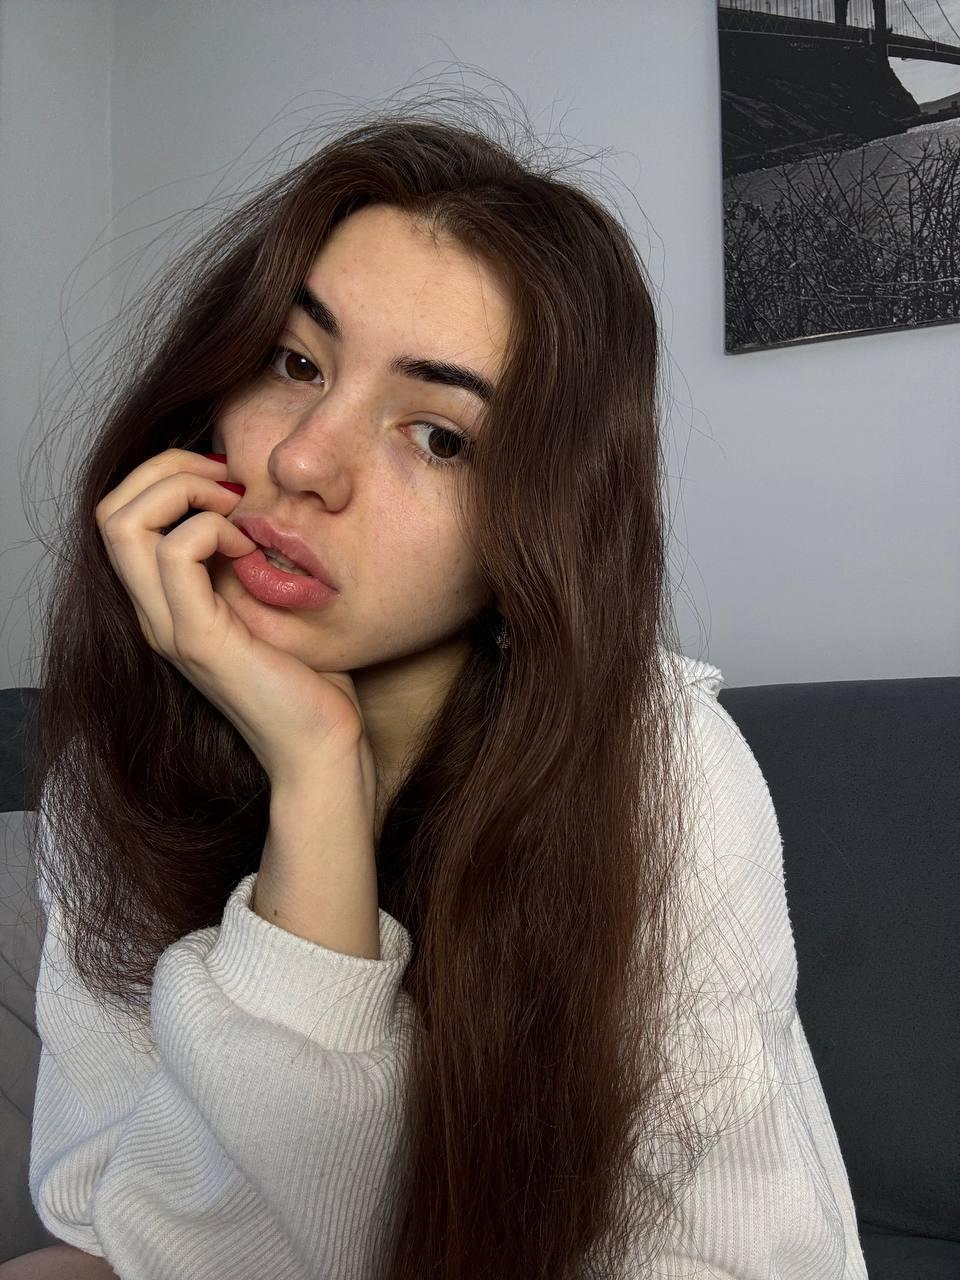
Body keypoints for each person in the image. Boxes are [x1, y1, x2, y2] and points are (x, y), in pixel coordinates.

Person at [9, 95, 869, 1279]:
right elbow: (147, 1247)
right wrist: (317, 775)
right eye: (296, 362)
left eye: (439, 436)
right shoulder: (109, 774)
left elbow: (732, 1258)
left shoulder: (661, 766)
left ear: (536, 525)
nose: (303, 459)